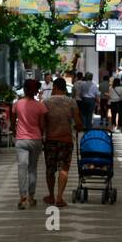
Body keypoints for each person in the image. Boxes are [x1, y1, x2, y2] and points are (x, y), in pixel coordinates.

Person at [43, 77, 83, 207]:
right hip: (66, 140)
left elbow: (43, 123)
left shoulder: (46, 102)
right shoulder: (71, 102)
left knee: (50, 169)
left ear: (54, 87)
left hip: (50, 140)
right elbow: (78, 122)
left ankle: (51, 195)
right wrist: (78, 128)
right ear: (65, 88)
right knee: (63, 168)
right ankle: (59, 197)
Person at [11, 78, 47, 209]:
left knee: (22, 168)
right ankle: (31, 197)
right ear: (36, 91)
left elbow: (12, 120)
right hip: (35, 140)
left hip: (21, 140)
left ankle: (22, 196)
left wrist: (15, 132)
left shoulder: (17, 104)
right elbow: (42, 125)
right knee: (32, 169)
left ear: (25, 89)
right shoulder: (40, 106)